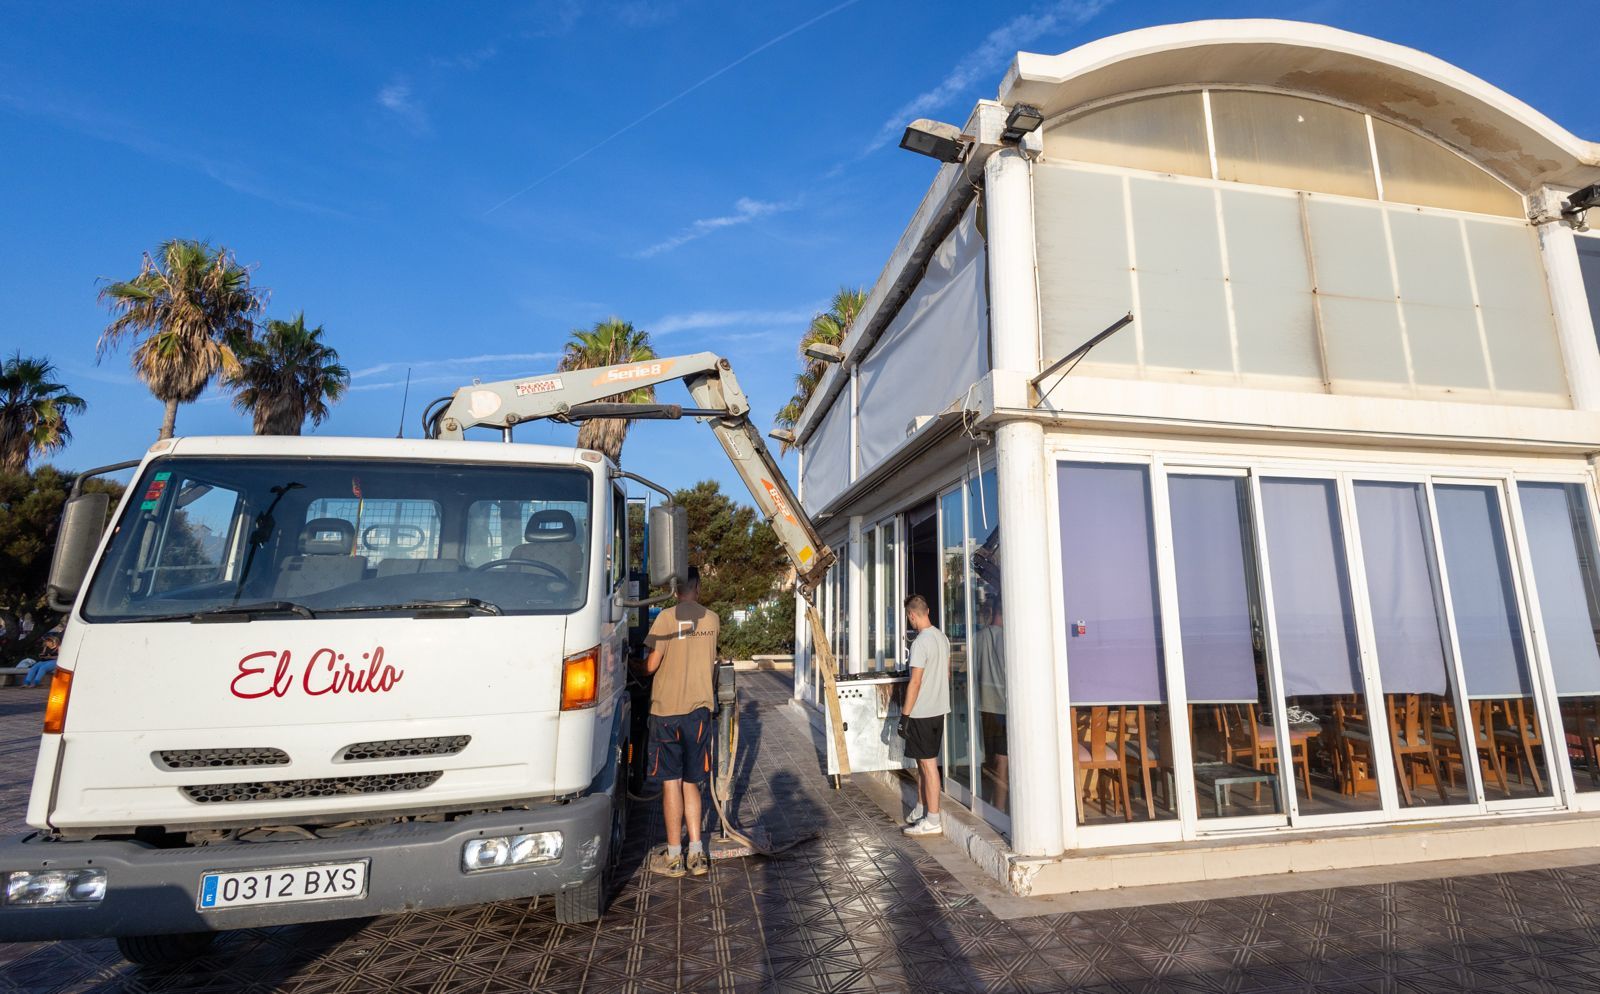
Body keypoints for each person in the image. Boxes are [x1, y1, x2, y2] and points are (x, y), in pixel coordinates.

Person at [641, 567, 719, 878]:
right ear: (698, 588)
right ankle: (697, 854)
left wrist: (631, 663)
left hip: (666, 712)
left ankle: (674, 857)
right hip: (698, 712)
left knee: (670, 782)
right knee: (692, 782)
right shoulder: (712, 619)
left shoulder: (665, 618)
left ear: (675, 590)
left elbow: (651, 665)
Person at [899, 593, 950, 837]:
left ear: (911, 615)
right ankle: (922, 809)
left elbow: (915, 682)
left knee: (928, 767)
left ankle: (933, 819)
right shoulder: (942, 638)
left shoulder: (919, 643)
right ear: (927, 610)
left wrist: (904, 715)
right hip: (939, 709)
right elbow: (947, 675)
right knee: (924, 764)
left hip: (922, 713)